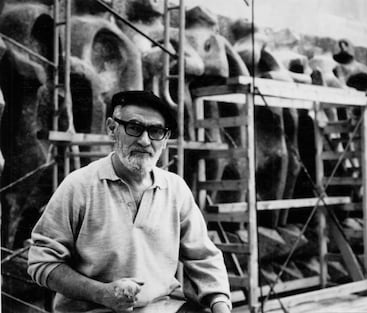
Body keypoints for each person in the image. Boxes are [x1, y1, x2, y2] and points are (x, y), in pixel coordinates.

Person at [28, 90, 232, 313]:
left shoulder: (175, 189)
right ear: (112, 128)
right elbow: (42, 262)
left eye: (155, 131)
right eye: (134, 128)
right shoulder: (80, 186)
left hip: (164, 307)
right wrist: (101, 293)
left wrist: (220, 305)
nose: (144, 141)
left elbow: (203, 257)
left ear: (165, 139)